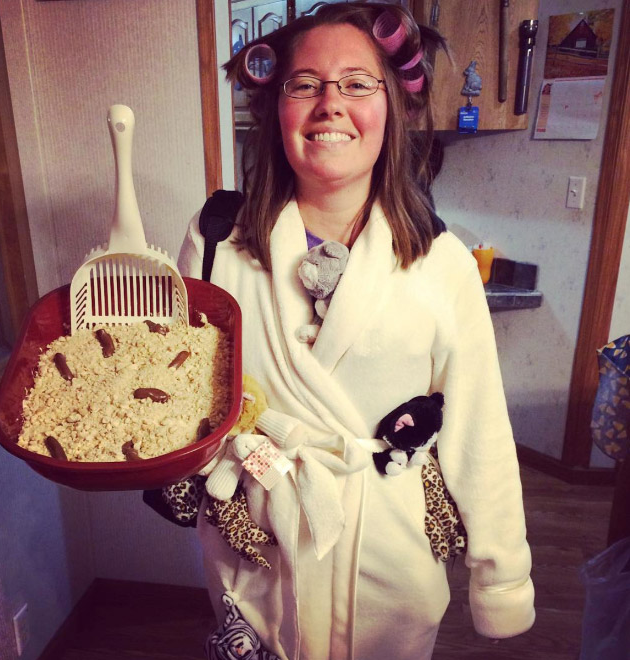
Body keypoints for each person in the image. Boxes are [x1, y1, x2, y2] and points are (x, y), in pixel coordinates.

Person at [173, 3, 535, 658]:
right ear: (275, 107)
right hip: (259, 546)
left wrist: (500, 574)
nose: (330, 104)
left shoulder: (439, 261)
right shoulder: (216, 243)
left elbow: (479, 428)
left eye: (357, 83)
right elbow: (184, 394)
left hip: (390, 558)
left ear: (391, 107)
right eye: (304, 83)